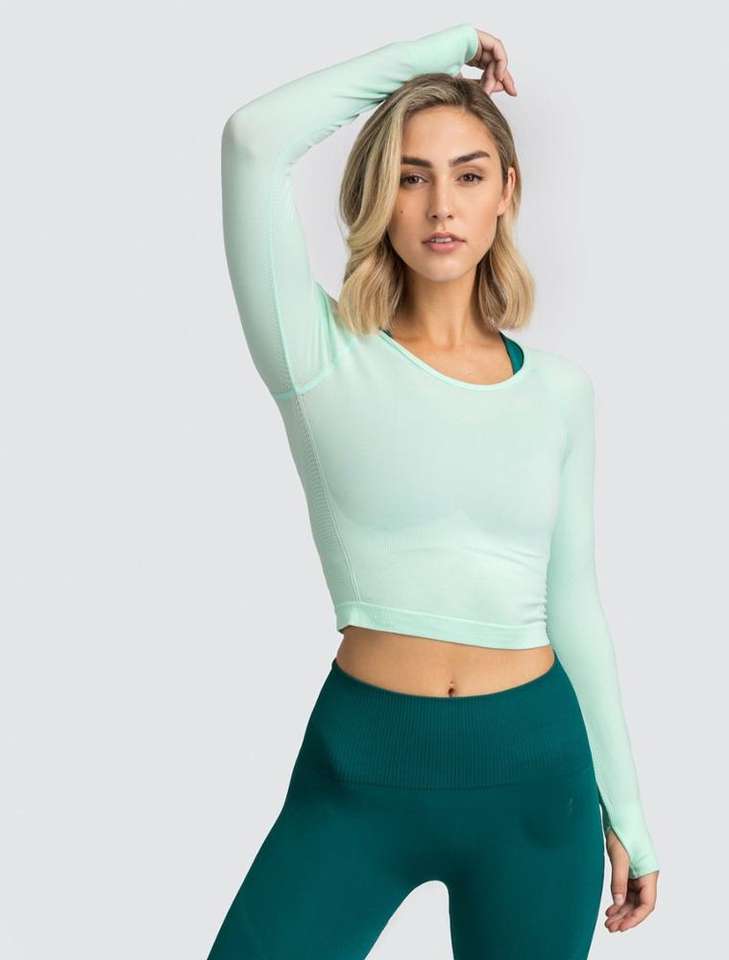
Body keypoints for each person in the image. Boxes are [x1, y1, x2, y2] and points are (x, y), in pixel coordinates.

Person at [207, 22, 659, 959]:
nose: (440, 205)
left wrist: (627, 807)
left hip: (537, 780)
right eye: (410, 177)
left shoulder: (559, 394)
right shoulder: (318, 358)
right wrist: (435, 53)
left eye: (467, 174)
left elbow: (573, 602)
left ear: (506, 193)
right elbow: (252, 139)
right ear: (379, 196)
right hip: (360, 768)